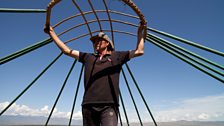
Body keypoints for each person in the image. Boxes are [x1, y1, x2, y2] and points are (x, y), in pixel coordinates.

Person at [44, 22, 146, 126]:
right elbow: (66, 50)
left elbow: (140, 51)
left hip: (109, 105)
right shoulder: (88, 57)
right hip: (88, 105)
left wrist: (139, 33)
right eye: (94, 41)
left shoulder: (117, 56)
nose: (96, 42)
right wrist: (51, 33)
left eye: (99, 40)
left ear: (107, 43)